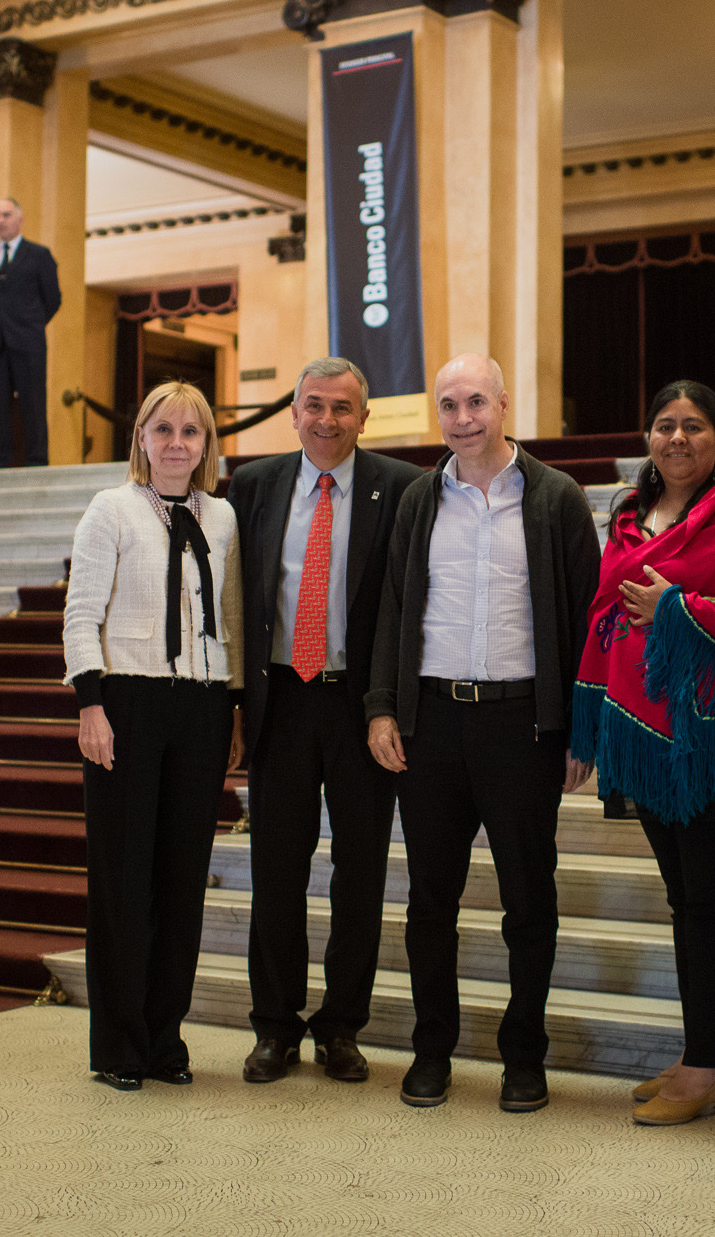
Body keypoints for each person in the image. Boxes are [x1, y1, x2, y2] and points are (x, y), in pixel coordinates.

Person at [365, 353, 600, 1113]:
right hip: (431, 723)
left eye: (475, 401)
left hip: (521, 724)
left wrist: (580, 727)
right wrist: (381, 707)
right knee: (430, 899)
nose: (462, 417)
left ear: (504, 403)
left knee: (529, 899)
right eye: (448, 404)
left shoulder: (557, 498)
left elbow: (587, 621)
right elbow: (394, 610)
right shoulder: (417, 500)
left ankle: (523, 1057)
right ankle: (432, 1049)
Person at [570, 380, 715, 1127]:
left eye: (694, 426)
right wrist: (587, 722)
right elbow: (603, 615)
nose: (677, 438)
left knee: (713, 902)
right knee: (684, 900)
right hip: (643, 731)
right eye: (664, 425)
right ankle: (704, 1050)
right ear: (648, 438)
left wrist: (681, 607)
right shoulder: (630, 515)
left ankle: (704, 1070)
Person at [228, 358, 421, 1086]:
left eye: (343, 407)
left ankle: (341, 1025)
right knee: (275, 870)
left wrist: (390, 705)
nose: (327, 419)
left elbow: (406, 609)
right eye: (314, 405)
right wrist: (237, 705)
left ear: (363, 418)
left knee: (360, 873)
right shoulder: (254, 486)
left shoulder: (400, 487)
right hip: (280, 700)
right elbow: (237, 604)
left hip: (360, 705)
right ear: (294, 410)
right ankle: (273, 1026)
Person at [64, 379, 243, 1092]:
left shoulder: (222, 517)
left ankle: (165, 1040)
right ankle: (118, 1045)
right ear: (141, 437)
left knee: (180, 883)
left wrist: (230, 709)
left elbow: (225, 620)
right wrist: (90, 703)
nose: (176, 443)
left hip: (199, 709)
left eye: (190, 432)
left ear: (206, 445)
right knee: (123, 879)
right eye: (163, 430)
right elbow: (81, 613)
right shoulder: (111, 509)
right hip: (127, 704)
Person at [0, 196, 61, 468]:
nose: (0, 221)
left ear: (20, 219)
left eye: (6, 215)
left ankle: (36, 461)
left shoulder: (39, 255)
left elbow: (53, 299)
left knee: (33, 403)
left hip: (28, 342)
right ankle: (1, 462)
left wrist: (30, 323)